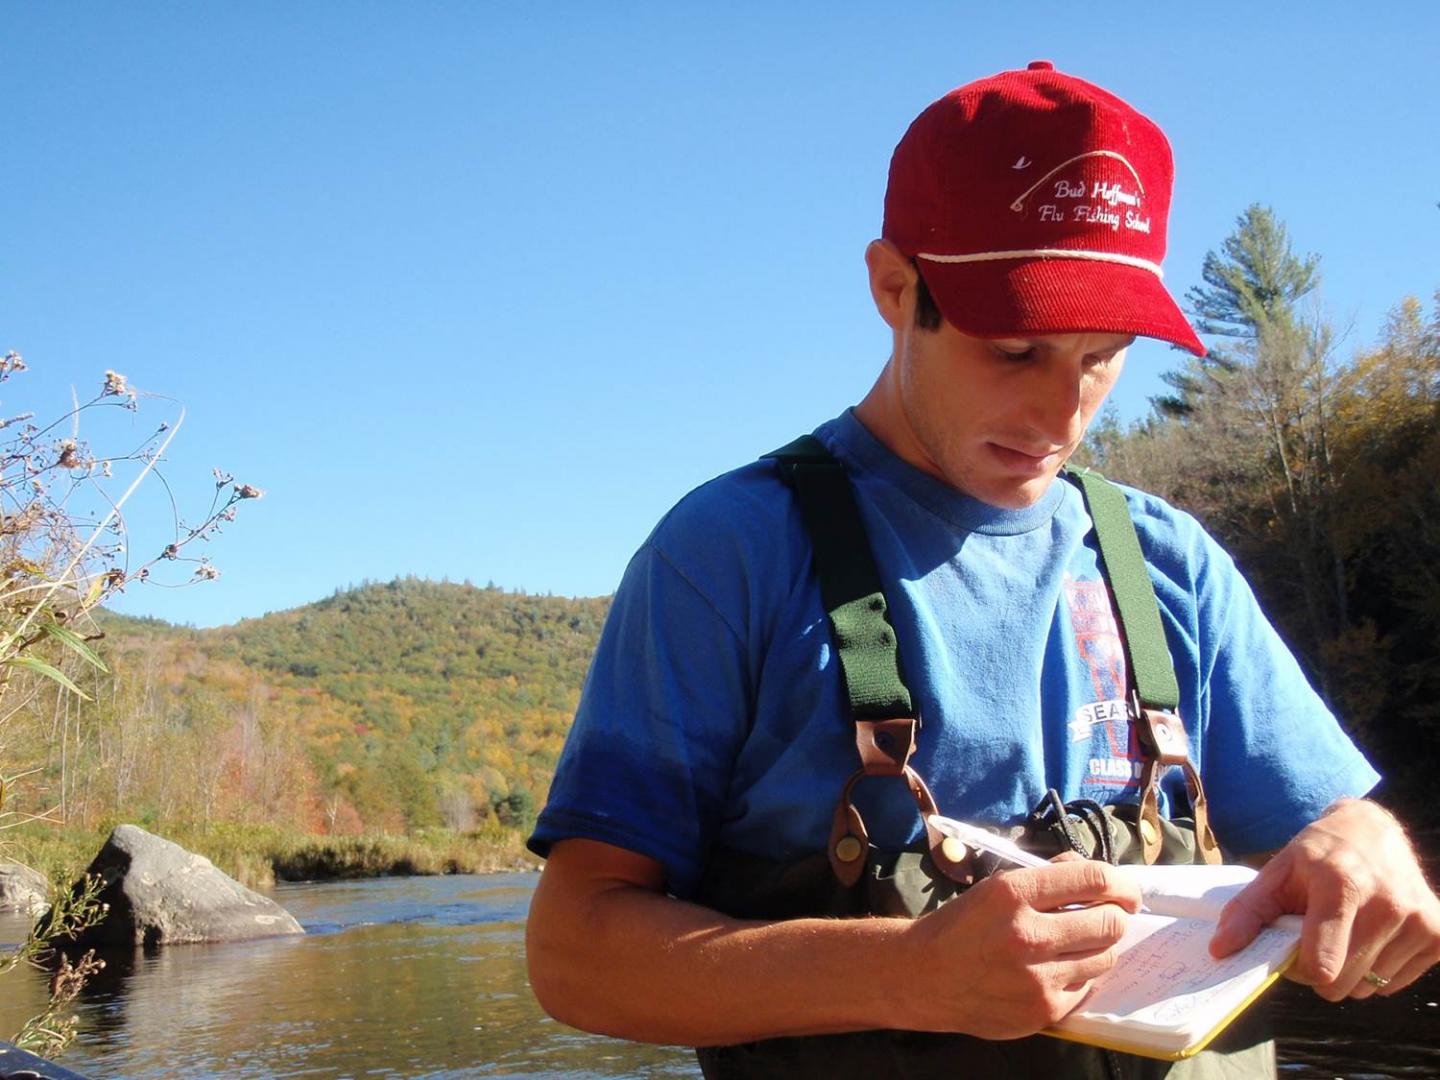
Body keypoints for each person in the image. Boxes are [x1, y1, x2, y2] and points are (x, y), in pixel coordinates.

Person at [524, 61, 1440, 1078]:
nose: (1062, 417)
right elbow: (573, 955)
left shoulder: (1173, 565)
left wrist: (1369, 853)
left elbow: (1337, 824)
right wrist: (906, 971)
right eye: (1015, 349)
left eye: (1102, 354)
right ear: (892, 286)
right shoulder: (725, 555)